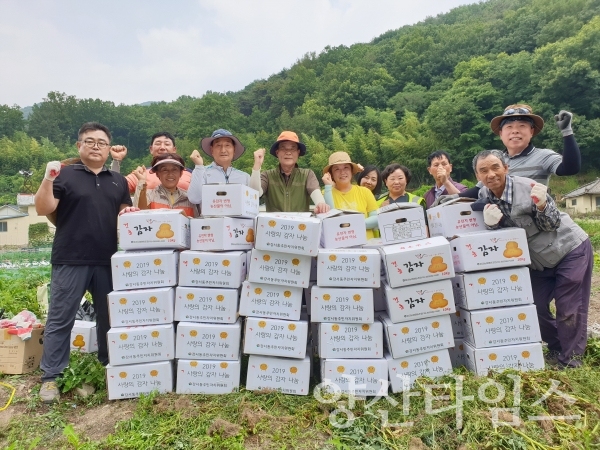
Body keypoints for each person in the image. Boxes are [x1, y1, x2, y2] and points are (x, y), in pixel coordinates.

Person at [34, 122, 132, 403]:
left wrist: (132, 211)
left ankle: (108, 364)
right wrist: (47, 178)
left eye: (102, 142)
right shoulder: (64, 175)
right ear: (79, 146)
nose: (96, 146)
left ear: (108, 147)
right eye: (90, 141)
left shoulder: (118, 180)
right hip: (70, 258)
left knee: (109, 317)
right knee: (60, 318)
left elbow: (124, 213)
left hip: (107, 260)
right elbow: (44, 208)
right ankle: (51, 376)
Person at [473, 149, 592, 369]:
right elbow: (502, 238)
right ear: (478, 177)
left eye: (495, 167)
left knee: (569, 307)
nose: (490, 174)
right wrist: (491, 225)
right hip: (538, 261)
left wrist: (542, 205)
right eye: (483, 171)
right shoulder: (484, 197)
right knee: (533, 306)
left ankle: (571, 361)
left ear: (506, 168)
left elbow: (551, 225)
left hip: (568, 250)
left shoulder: (527, 188)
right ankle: (558, 344)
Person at [459, 104, 581, 200]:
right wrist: (451, 199)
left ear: (531, 131)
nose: (515, 131)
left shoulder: (543, 156)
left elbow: (570, 168)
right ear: (501, 134)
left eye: (522, 126)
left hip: (537, 223)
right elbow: (477, 191)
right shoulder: (495, 162)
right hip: (503, 224)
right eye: (509, 127)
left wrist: (567, 131)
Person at [249, 131, 330, 213]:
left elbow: (316, 193)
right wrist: (257, 165)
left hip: (300, 224)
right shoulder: (267, 175)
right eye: (283, 148)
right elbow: (254, 194)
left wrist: (321, 204)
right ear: (277, 152)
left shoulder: (307, 175)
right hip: (274, 224)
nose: (288, 152)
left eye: (293, 148)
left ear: (298, 153)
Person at [111, 131, 192, 194]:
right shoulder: (140, 174)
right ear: (151, 149)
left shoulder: (190, 174)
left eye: (167, 144)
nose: (162, 147)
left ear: (174, 150)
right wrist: (116, 160)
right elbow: (114, 189)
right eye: (158, 143)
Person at [322, 152, 379, 239]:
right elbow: (330, 219)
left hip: (366, 247)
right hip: (340, 246)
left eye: (346, 167)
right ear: (331, 174)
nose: (342, 172)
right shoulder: (326, 193)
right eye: (337, 169)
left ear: (352, 171)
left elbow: (376, 218)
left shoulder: (365, 192)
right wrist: (328, 187)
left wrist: (352, 225)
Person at [187, 129, 250, 206]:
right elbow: (194, 199)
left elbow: (251, 204)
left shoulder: (245, 177)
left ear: (234, 150)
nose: (223, 150)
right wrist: (199, 167)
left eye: (227, 145)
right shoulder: (202, 172)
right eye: (218, 145)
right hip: (210, 218)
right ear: (212, 150)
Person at [132, 153, 199, 217]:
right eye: (164, 170)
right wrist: (142, 181)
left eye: (174, 169)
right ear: (158, 174)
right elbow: (139, 215)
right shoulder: (148, 196)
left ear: (181, 173)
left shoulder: (190, 198)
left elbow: (196, 223)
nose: (170, 174)